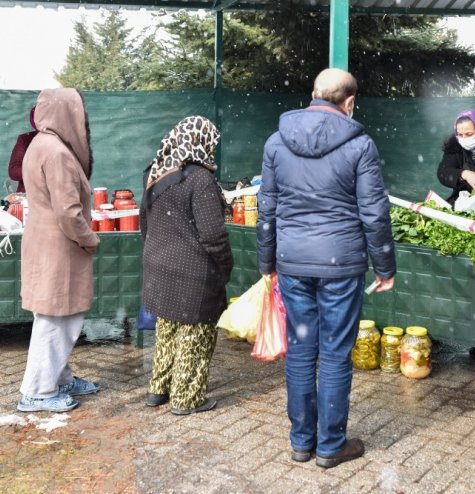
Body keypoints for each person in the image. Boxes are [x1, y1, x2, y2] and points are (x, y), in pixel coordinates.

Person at [256, 68, 396, 468]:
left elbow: (267, 210)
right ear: (349, 103)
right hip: (341, 265)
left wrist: (267, 263)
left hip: (294, 263)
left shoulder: (276, 142)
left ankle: (302, 441)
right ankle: (331, 445)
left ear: (314, 94)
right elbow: (375, 213)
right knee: (335, 353)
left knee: (301, 351)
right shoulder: (361, 145)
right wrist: (385, 267)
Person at [141, 116, 234, 416]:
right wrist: (225, 265)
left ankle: (159, 389)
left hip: (159, 265)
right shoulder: (200, 179)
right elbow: (213, 234)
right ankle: (187, 398)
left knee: (167, 330)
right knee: (195, 336)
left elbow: (145, 221)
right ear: (201, 141)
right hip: (192, 273)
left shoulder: (156, 172)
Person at [17, 88, 100, 413]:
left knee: (56, 316)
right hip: (59, 248)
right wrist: (89, 239)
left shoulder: (41, 144)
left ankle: (59, 378)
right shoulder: (58, 153)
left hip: (46, 244)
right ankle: (38, 391)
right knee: (56, 320)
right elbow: (68, 212)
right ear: (67, 114)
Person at [8, 107, 39, 193]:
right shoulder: (25, 140)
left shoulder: (63, 140)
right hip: (28, 195)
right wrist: (37, 174)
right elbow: (13, 170)